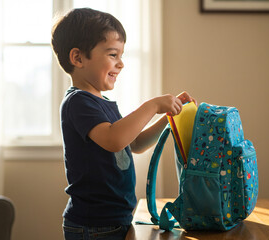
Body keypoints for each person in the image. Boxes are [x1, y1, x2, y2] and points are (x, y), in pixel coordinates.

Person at [51, 8, 196, 240]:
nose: (121, 64)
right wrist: (153, 105)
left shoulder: (103, 103)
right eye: (112, 55)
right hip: (93, 225)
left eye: (121, 55)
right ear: (78, 58)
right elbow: (115, 140)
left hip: (114, 219)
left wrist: (168, 116)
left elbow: (134, 143)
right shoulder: (77, 102)